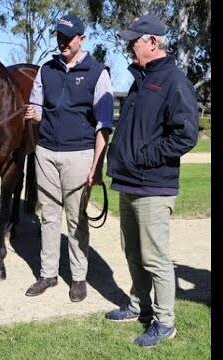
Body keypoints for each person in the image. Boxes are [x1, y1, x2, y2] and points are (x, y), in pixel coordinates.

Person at [104, 14, 199, 348]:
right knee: (131, 251)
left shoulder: (173, 80)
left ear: (153, 43)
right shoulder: (140, 79)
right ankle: (139, 306)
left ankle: (165, 321)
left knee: (155, 257)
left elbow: (186, 135)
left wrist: (145, 156)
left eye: (135, 41)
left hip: (154, 186)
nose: (129, 46)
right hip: (129, 182)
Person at [23, 15, 114, 302]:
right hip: (46, 152)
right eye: (59, 37)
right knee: (48, 216)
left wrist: (97, 166)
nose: (63, 42)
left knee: (76, 219)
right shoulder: (46, 70)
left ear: (82, 39)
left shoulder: (98, 72)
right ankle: (48, 274)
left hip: (80, 154)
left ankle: (78, 277)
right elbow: (38, 106)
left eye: (68, 37)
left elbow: (104, 125)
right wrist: (34, 114)